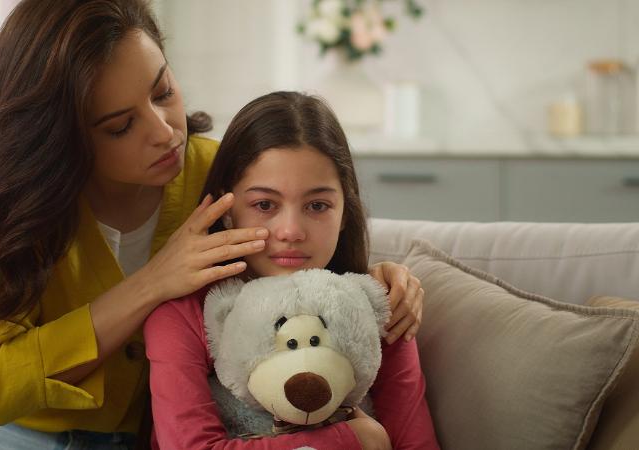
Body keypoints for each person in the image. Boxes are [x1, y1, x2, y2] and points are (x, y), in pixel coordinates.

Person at [0, 1, 424, 449]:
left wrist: (382, 279)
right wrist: (154, 282)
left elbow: (302, 235)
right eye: (119, 126)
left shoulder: (218, 175)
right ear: (58, 136)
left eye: (164, 92)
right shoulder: (1, 207)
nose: (164, 132)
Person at [144, 91, 439, 450]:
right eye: (265, 204)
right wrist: (351, 439)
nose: (291, 231)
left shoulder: (379, 308)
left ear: (345, 211)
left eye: (317, 205)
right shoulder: (185, 315)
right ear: (227, 208)